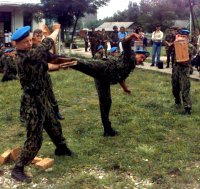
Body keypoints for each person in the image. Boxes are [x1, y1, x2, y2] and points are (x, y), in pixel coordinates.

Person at [10, 24, 72, 183]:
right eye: (25, 42)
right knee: (35, 138)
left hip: (41, 97)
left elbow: (45, 66)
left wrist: (59, 66)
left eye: (30, 40)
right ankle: (18, 168)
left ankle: (62, 148)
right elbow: (45, 45)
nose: (29, 44)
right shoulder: (24, 57)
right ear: (15, 44)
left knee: (53, 124)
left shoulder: (30, 54)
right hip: (32, 101)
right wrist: (57, 30)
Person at [62, 32, 150, 137]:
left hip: (104, 79)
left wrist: (125, 89)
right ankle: (60, 59)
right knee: (84, 64)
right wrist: (131, 36)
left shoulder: (131, 66)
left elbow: (121, 78)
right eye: (142, 57)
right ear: (137, 54)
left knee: (106, 102)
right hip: (105, 67)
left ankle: (107, 130)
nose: (142, 60)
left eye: (144, 59)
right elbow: (125, 43)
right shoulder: (129, 55)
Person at [20, 28, 64, 121]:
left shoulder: (43, 49)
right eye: (37, 35)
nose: (39, 37)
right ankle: (24, 115)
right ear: (33, 37)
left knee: (50, 94)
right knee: (28, 95)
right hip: (33, 78)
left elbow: (52, 57)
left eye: (41, 35)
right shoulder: (31, 49)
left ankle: (56, 113)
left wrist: (62, 59)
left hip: (44, 75)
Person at [172, 29, 197, 115]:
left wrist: (186, 45)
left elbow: (194, 52)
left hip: (185, 69)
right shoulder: (176, 43)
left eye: (186, 35)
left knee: (185, 88)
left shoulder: (189, 46)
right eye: (183, 34)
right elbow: (172, 50)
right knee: (175, 87)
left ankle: (187, 108)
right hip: (176, 68)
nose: (184, 36)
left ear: (188, 36)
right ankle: (177, 101)